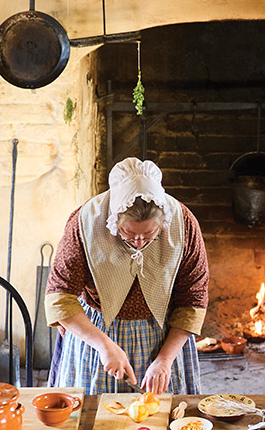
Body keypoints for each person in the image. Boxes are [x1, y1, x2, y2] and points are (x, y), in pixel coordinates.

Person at [44, 157, 208, 395]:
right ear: (113, 219)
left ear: (163, 221)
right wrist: (104, 345)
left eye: (149, 233)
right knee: (93, 422)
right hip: (97, 332)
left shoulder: (184, 225)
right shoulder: (85, 223)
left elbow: (193, 300)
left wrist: (164, 360)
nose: (139, 243)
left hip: (162, 335)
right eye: (128, 234)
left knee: (163, 421)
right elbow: (59, 297)